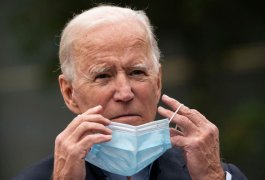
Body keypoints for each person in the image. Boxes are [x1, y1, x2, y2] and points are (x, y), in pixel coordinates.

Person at [14, 5, 247, 180]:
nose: (125, 93)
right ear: (69, 93)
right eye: (103, 76)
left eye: (136, 72)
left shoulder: (213, 173)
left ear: (158, 82)